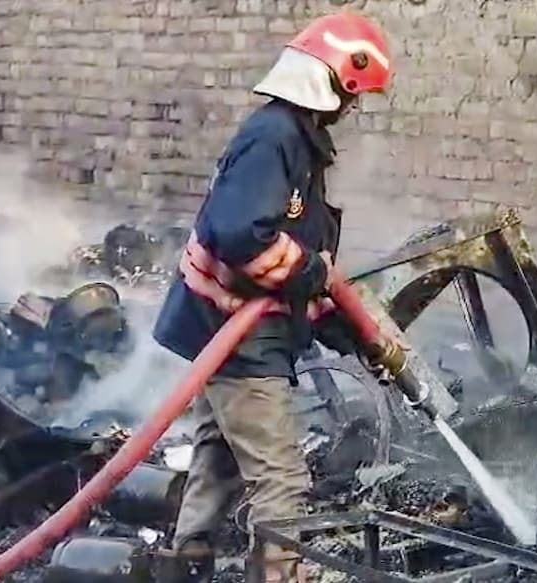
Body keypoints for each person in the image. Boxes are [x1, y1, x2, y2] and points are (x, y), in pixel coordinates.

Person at [151, 12, 393, 583]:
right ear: (333, 80)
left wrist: (358, 336)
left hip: (226, 327)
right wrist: (313, 271)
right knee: (281, 478)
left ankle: (186, 564)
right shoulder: (276, 138)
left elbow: (296, 259)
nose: (353, 107)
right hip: (237, 332)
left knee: (218, 453)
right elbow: (243, 237)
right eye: (353, 94)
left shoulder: (293, 139)